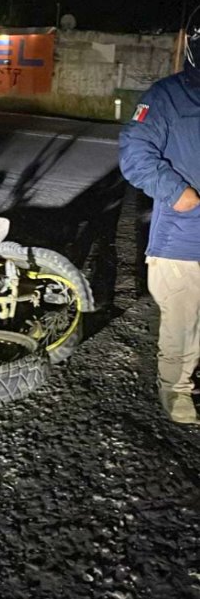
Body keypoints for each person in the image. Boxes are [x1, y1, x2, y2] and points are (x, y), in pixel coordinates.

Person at [120, 30, 200, 424]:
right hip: (184, 239)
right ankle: (176, 388)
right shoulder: (167, 96)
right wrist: (179, 192)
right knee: (184, 324)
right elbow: (135, 153)